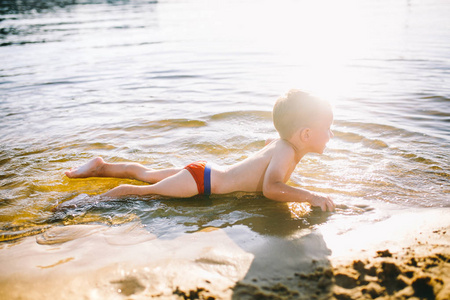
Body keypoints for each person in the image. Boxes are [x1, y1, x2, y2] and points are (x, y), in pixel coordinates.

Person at [64, 89, 336, 212]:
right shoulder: (287, 151)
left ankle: (101, 167)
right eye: (328, 127)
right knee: (142, 192)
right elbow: (271, 188)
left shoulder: (282, 145)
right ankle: (82, 205)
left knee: (146, 174)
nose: (331, 134)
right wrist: (309, 196)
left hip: (203, 173)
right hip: (200, 182)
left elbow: (267, 149)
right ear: (306, 134)